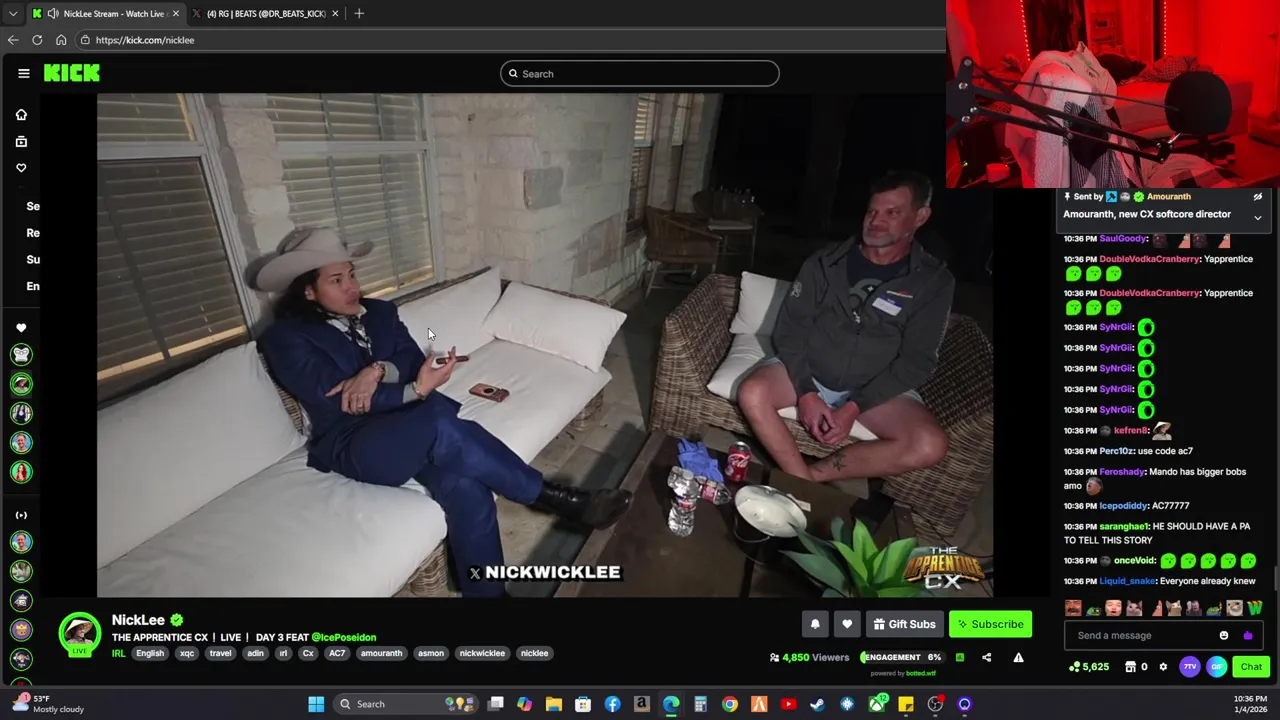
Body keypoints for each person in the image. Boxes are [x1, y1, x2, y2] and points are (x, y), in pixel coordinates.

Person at [255, 229, 632, 598]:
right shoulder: (286, 338)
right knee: (438, 418)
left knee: (468, 490)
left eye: (351, 274)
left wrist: (376, 371)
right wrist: (413, 390)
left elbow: (411, 357)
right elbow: (339, 398)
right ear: (308, 291)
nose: (352, 286)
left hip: (407, 425)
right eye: (336, 280)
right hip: (353, 442)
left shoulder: (381, 312)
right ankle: (560, 500)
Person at [737, 172, 954, 483]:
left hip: (874, 386)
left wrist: (854, 407)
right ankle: (802, 484)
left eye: (892, 213)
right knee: (753, 392)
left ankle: (811, 477)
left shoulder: (932, 282)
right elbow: (791, 329)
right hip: (811, 371)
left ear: (920, 217)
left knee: (929, 444)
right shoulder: (825, 262)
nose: (876, 221)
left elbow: (918, 359)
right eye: (872, 211)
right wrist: (807, 392)